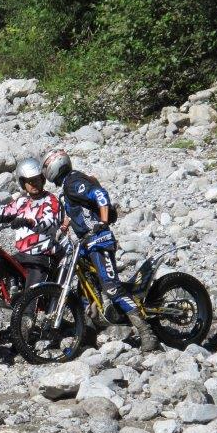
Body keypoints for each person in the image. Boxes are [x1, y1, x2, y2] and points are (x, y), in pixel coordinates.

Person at [41, 149, 159, 351]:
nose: (45, 171)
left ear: (54, 166)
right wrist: (63, 229)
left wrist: (103, 222)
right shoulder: (68, 186)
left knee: (111, 287)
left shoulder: (73, 181)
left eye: (45, 167)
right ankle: (88, 334)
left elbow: (99, 194)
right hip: (85, 243)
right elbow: (76, 211)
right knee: (85, 288)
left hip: (98, 240)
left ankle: (147, 332)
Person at [0, 157, 61, 290]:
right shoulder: (22, 201)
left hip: (41, 258)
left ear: (43, 179)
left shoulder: (51, 200)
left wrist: (30, 222)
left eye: (36, 179)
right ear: (23, 183)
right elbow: (3, 211)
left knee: (31, 298)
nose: (33, 184)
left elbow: (51, 222)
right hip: (21, 256)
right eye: (29, 181)